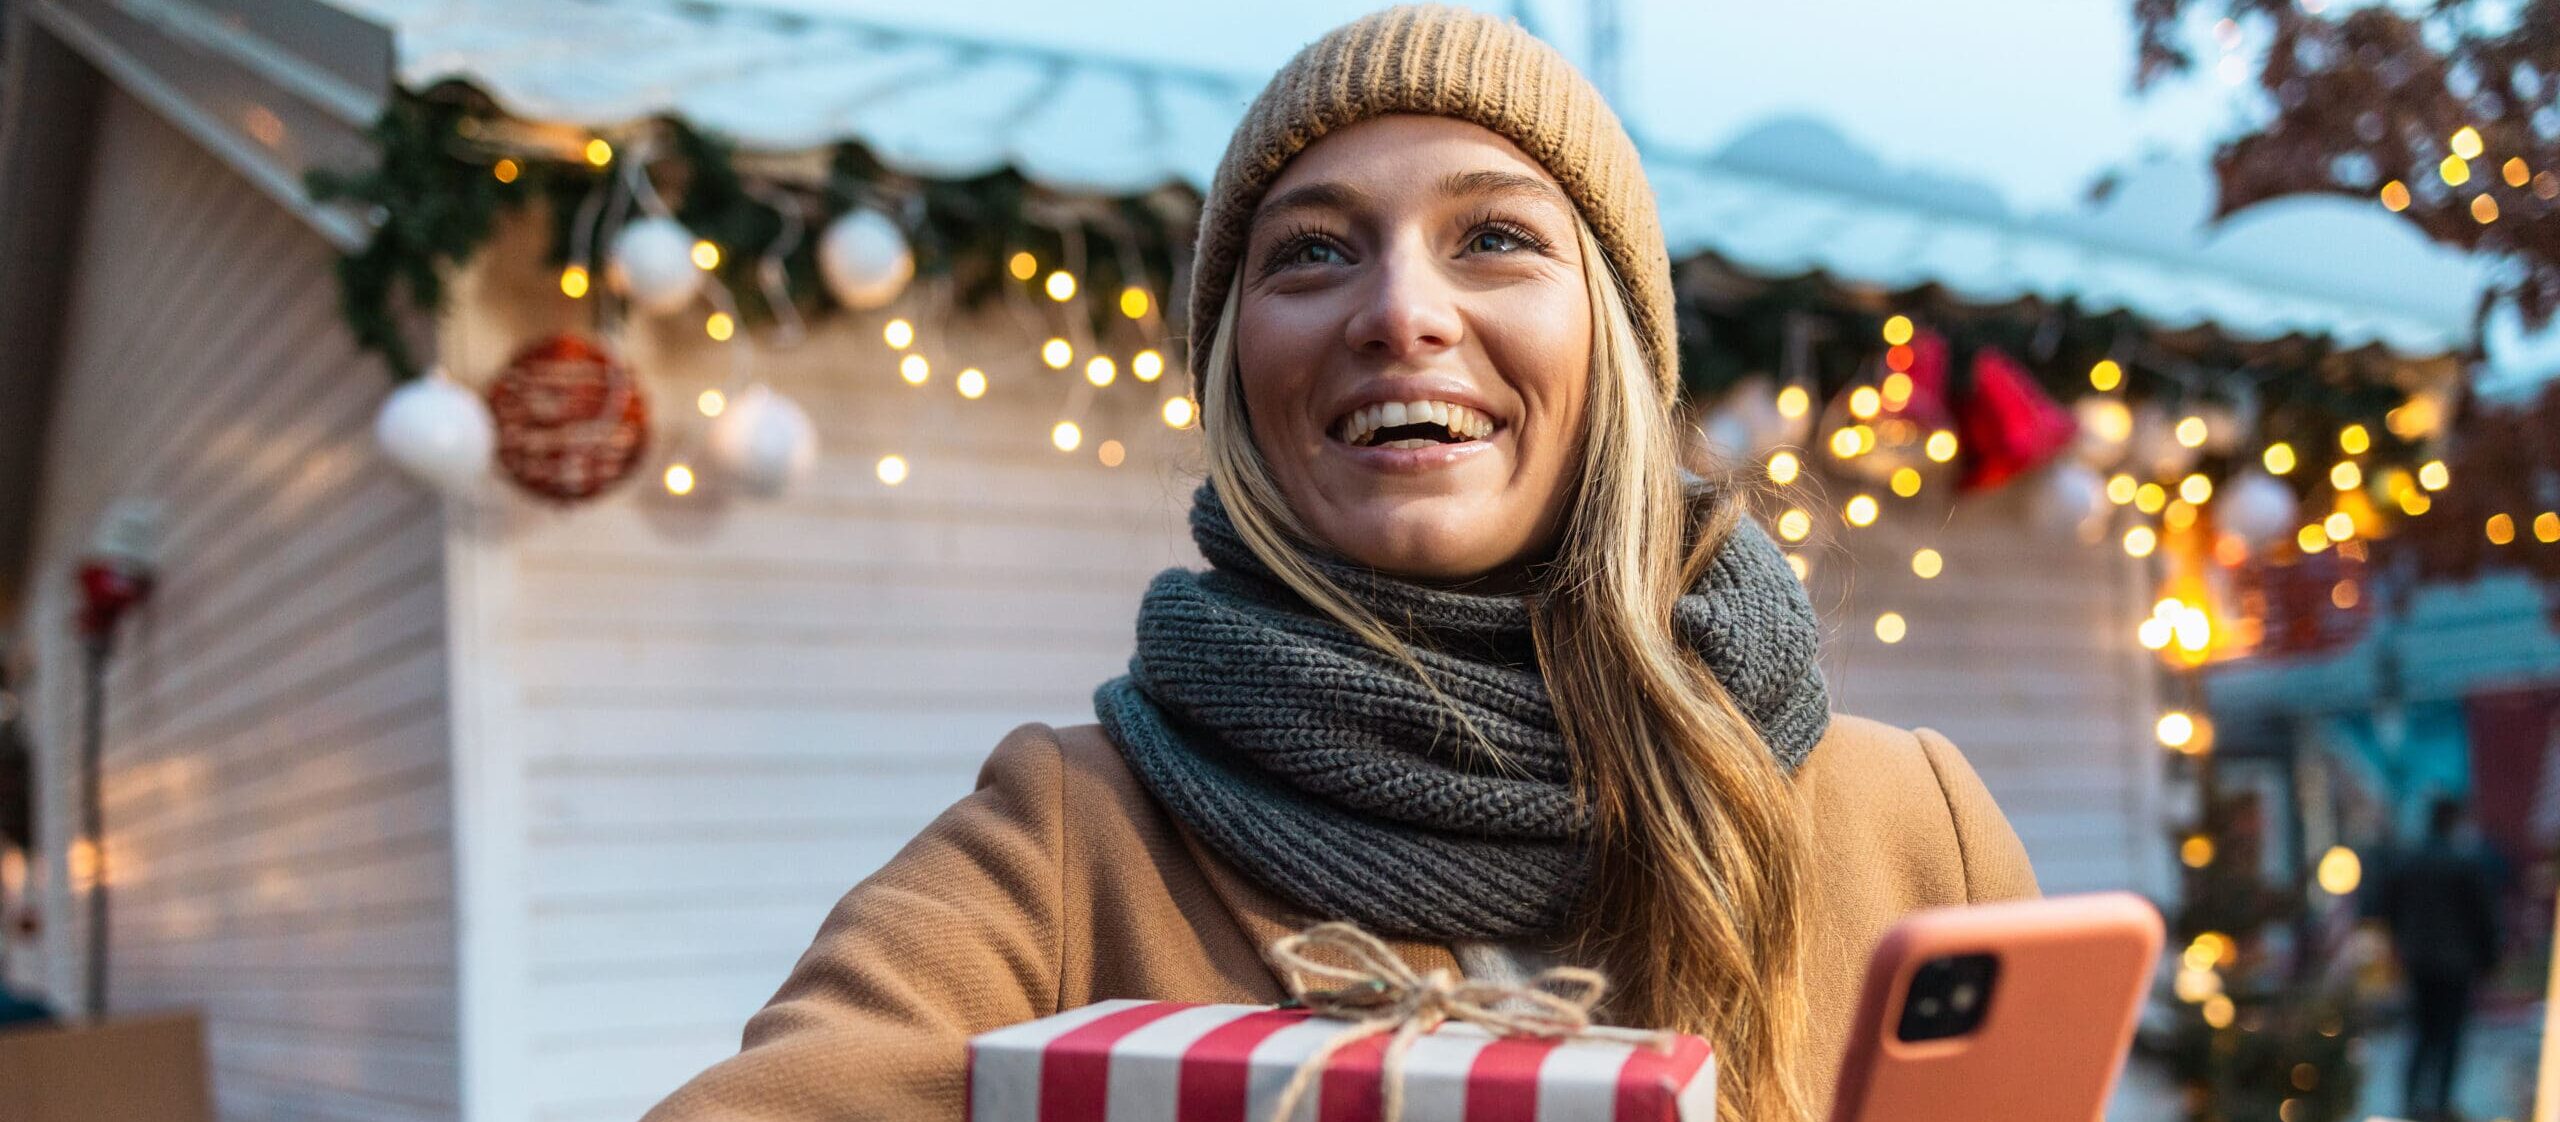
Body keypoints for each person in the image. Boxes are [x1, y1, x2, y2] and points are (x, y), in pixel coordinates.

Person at [640, 7, 2036, 1121]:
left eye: (1494, 237)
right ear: (1240, 374)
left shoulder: (1913, 824)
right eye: (1311, 253)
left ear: (1614, 346)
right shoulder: (1067, 844)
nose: (1401, 311)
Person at [2372, 795, 2503, 1122]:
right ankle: (2441, 1104)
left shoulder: (2408, 862)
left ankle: (2412, 1102)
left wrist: (2399, 941)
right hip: (2455, 962)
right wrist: (2490, 960)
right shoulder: (2463, 864)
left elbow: (2385, 906)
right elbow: (2481, 917)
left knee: (2420, 1031)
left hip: (2418, 959)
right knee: (2449, 1035)